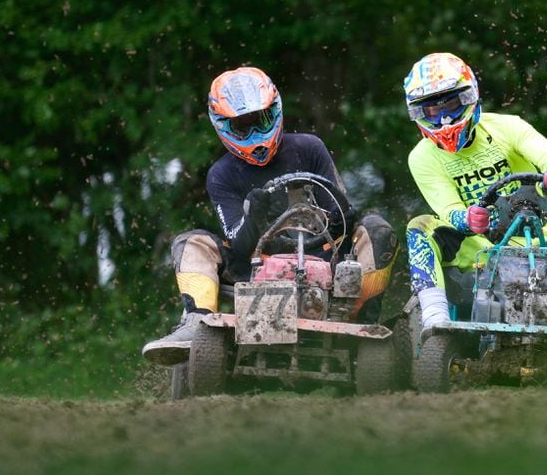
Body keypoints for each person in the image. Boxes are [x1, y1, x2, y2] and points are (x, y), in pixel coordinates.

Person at [142, 65, 398, 364]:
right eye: (242, 127)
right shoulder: (221, 174)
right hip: (252, 265)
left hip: (322, 255)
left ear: (275, 111)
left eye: (260, 121)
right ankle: (196, 322)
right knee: (192, 242)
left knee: (376, 230)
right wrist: (254, 215)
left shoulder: (308, 148)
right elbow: (237, 243)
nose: (254, 134)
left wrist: (331, 215)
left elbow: (341, 214)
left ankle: (362, 319)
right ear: (223, 126)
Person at [402, 52, 547, 330]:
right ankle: (436, 322)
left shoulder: (508, 126)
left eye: (451, 103)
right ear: (418, 113)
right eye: (432, 111)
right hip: (480, 247)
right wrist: (467, 219)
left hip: (544, 238)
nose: (444, 119)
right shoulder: (421, 157)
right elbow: (448, 209)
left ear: (470, 96)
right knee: (420, 227)